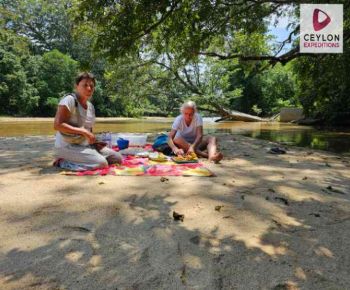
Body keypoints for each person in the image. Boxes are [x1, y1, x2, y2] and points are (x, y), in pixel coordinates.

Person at [53, 72, 122, 170]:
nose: (89, 88)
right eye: (85, 85)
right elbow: (58, 125)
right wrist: (83, 131)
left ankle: (88, 158)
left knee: (117, 158)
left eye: (91, 86)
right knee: (102, 164)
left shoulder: (91, 107)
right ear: (76, 86)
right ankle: (62, 161)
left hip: (84, 145)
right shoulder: (69, 100)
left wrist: (94, 143)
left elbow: (89, 129)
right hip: (66, 146)